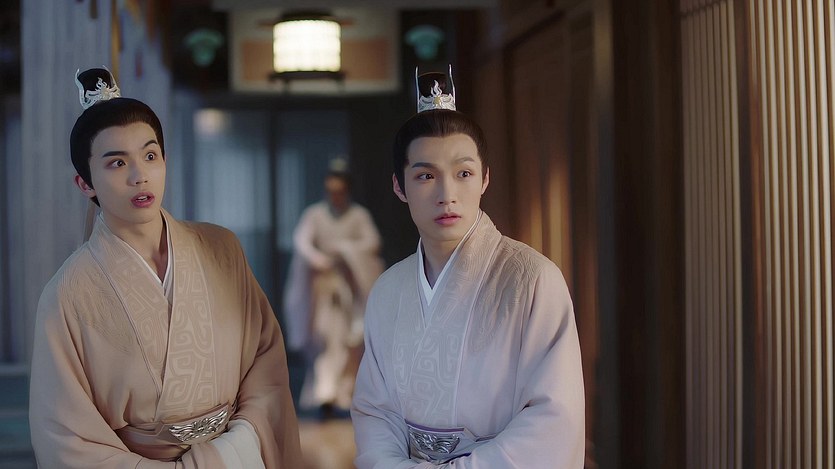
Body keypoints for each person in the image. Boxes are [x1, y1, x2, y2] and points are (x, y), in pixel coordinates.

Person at [29, 67, 302, 468]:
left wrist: (239, 442)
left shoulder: (221, 249)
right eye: (116, 163)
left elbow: (265, 357)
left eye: (150, 155)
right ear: (85, 184)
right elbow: (67, 436)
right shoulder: (67, 294)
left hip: (238, 453)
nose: (140, 176)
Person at [351, 68, 585, 468]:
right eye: (426, 175)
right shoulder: (388, 291)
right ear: (399, 186)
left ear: (485, 179)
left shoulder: (532, 280)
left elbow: (553, 417)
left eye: (463, 173)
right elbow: (375, 411)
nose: (447, 195)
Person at [283, 160, 384, 417]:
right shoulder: (315, 215)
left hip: (349, 287)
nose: (335, 196)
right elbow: (302, 241)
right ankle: (324, 393)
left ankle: (343, 395)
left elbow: (372, 242)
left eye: (339, 191)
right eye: (331, 191)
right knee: (324, 339)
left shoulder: (358, 215)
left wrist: (346, 250)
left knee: (350, 341)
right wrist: (317, 258)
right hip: (323, 288)